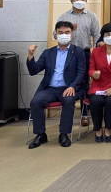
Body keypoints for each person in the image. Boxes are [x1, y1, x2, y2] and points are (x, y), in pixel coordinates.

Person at [27, 21, 86, 149]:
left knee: (69, 101)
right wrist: (31, 56)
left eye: (67, 32)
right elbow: (34, 71)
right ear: (56, 34)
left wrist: (72, 86)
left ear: (71, 35)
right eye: (60, 32)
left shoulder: (78, 52)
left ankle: (64, 134)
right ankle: (41, 134)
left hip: (69, 87)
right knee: (35, 102)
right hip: (49, 88)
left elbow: (81, 73)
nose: (63, 35)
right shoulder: (48, 52)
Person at [56, 0, 100, 127]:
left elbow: (97, 36)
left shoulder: (92, 16)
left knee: (85, 83)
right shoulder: (64, 16)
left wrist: (97, 53)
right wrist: (69, 29)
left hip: (85, 53)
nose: (79, 1)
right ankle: (66, 113)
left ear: (86, 1)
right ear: (71, 1)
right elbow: (55, 34)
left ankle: (84, 114)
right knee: (68, 82)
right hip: (67, 54)